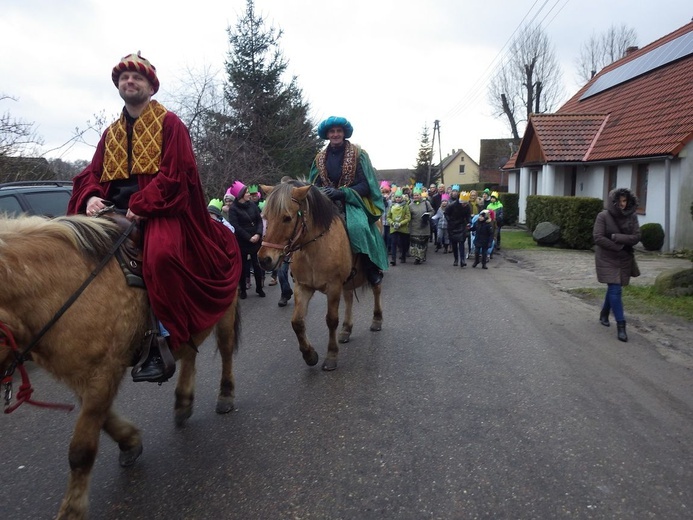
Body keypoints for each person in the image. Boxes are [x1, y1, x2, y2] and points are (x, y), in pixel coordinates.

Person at [68, 52, 242, 382]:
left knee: (161, 256)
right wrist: (90, 196)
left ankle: (162, 340)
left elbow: (178, 175)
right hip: (111, 212)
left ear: (151, 87)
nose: (129, 82)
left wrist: (144, 203)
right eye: (123, 78)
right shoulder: (111, 133)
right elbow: (91, 173)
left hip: (162, 211)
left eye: (137, 78)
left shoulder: (170, 124)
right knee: (71, 250)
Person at [308, 116, 389, 285]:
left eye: (339, 131)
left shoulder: (358, 154)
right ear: (327, 134)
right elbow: (314, 184)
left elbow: (365, 185)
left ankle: (370, 267)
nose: (335, 134)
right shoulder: (319, 158)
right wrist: (321, 192)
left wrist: (343, 193)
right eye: (332, 131)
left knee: (358, 226)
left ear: (344, 133)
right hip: (327, 202)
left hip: (352, 201)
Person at [593, 188, 641, 342]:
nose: (622, 204)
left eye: (625, 201)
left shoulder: (632, 216)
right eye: (619, 201)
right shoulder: (603, 216)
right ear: (613, 202)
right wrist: (619, 245)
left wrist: (615, 237)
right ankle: (621, 325)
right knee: (615, 288)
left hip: (624, 258)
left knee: (614, 287)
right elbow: (598, 238)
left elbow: (636, 237)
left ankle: (604, 313)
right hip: (607, 257)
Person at [227, 181, 265, 299]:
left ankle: (259, 288)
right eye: (247, 192)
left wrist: (258, 234)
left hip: (255, 239)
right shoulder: (233, 209)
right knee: (243, 267)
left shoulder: (252, 205)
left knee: (257, 265)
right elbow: (236, 226)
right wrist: (249, 238)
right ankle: (243, 289)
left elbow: (259, 220)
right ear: (241, 194)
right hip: (243, 241)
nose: (249, 194)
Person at [444, 186, 471, 267]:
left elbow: (468, 216)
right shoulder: (452, 205)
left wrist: (469, 222)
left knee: (462, 242)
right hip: (452, 226)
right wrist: (449, 221)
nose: (464, 205)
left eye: (466, 203)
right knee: (454, 243)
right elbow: (446, 214)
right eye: (463, 203)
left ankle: (462, 260)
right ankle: (456, 259)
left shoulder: (467, 207)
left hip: (461, 225)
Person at [407, 187, 434, 264]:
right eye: (414, 195)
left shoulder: (426, 203)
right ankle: (417, 258)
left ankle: (422, 256)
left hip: (424, 226)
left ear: (420, 195)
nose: (416, 197)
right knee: (416, 243)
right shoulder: (410, 205)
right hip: (414, 227)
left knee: (423, 243)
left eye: (417, 195)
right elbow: (408, 215)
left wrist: (428, 215)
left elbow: (432, 211)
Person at [386, 189, 411, 265]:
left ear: (402, 198)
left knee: (403, 243)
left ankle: (403, 256)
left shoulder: (405, 206)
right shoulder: (392, 206)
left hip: (403, 228)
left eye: (399, 197)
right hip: (394, 227)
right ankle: (393, 259)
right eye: (396, 197)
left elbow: (408, 217)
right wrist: (392, 223)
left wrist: (400, 223)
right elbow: (388, 216)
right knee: (394, 243)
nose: (398, 199)